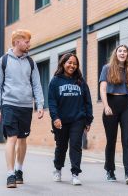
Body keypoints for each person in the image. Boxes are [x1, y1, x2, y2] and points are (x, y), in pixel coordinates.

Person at [0, 29, 44, 188]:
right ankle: (10, 174)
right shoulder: (3, 61)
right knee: (12, 138)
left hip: (26, 106)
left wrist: (40, 104)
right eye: (27, 41)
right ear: (17, 42)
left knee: (22, 139)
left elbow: (36, 84)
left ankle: (19, 169)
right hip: (9, 105)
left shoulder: (31, 62)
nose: (29, 44)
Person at [48, 53, 93, 186]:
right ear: (63, 63)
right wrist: (55, 117)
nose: (72, 66)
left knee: (75, 145)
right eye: (69, 63)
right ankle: (57, 168)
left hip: (77, 119)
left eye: (75, 64)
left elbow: (87, 101)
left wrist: (88, 120)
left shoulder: (80, 81)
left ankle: (75, 173)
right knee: (61, 147)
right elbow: (51, 101)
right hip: (60, 120)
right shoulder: (55, 81)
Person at [99, 44, 128, 185]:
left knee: (127, 140)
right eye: (120, 51)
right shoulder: (107, 68)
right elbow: (103, 89)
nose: (122, 53)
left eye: (125, 52)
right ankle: (110, 171)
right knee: (111, 141)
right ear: (115, 54)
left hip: (126, 105)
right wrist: (106, 106)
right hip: (111, 103)